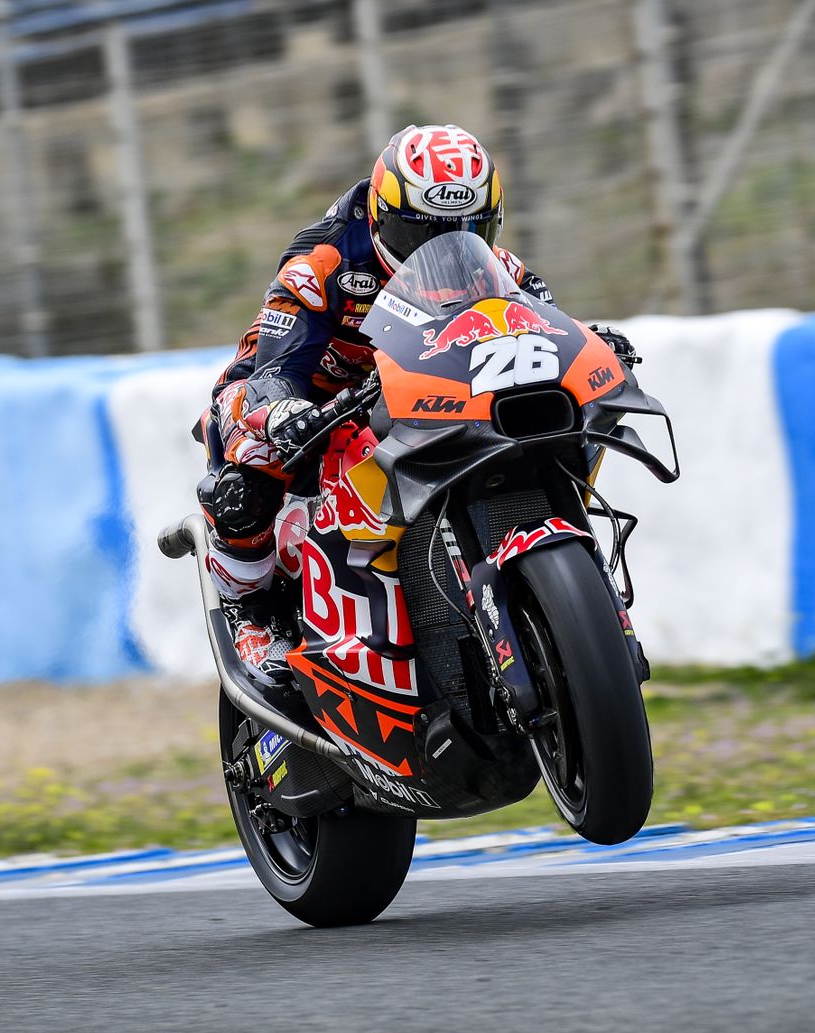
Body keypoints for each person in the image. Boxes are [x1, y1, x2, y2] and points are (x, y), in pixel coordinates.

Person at [194, 123, 635, 686]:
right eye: (423, 234)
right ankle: (248, 612)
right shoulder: (320, 268)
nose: (444, 251)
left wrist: (594, 343)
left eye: (466, 230)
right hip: (315, 397)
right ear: (381, 217)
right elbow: (274, 369)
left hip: (422, 396)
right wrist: (281, 409)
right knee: (248, 440)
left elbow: (546, 326)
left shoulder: (499, 266)